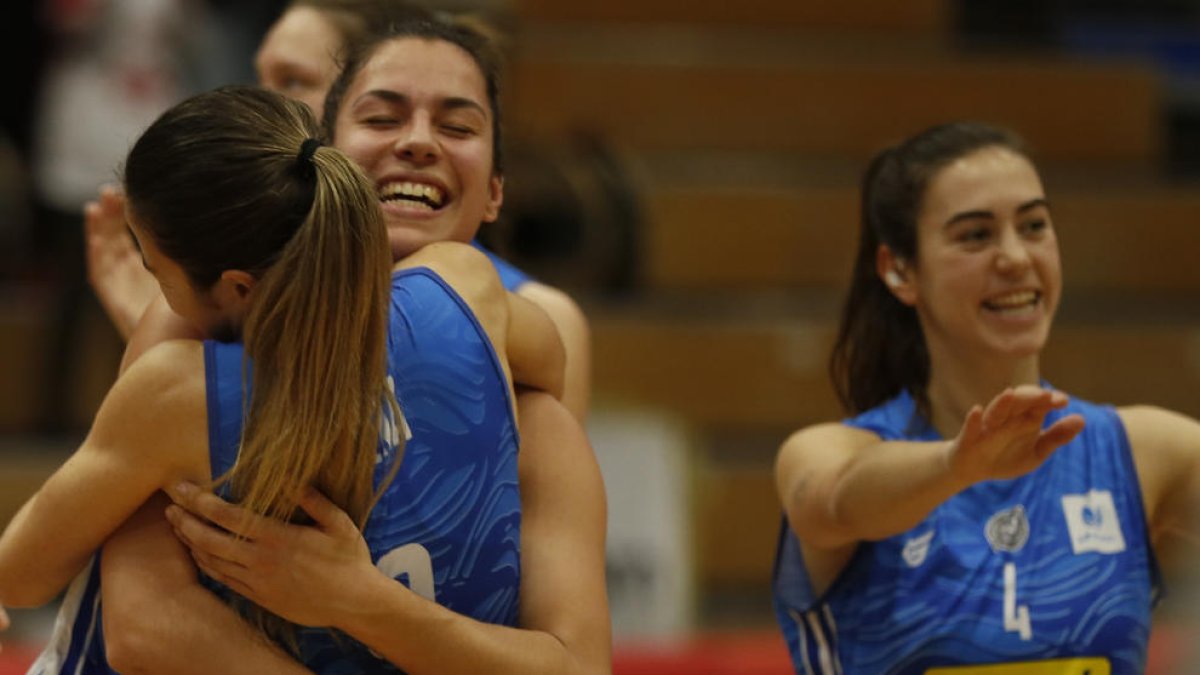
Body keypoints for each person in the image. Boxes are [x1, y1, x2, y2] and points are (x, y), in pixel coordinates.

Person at [1, 85, 609, 674]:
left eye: (157, 273)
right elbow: (548, 362)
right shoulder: (462, 283)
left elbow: (21, 575)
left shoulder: (179, 392)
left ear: (237, 288)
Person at [771, 121, 1200, 674]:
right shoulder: (826, 453)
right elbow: (834, 502)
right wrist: (957, 464)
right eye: (976, 235)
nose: (1016, 257)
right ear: (899, 270)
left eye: (1035, 225)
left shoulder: (1142, 451)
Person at [85, 0, 593, 421]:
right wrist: (189, 321)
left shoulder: (541, 317)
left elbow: (523, 528)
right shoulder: (231, 288)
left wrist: (351, 550)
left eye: (292, 83)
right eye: (260, 79)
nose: (262, 109)